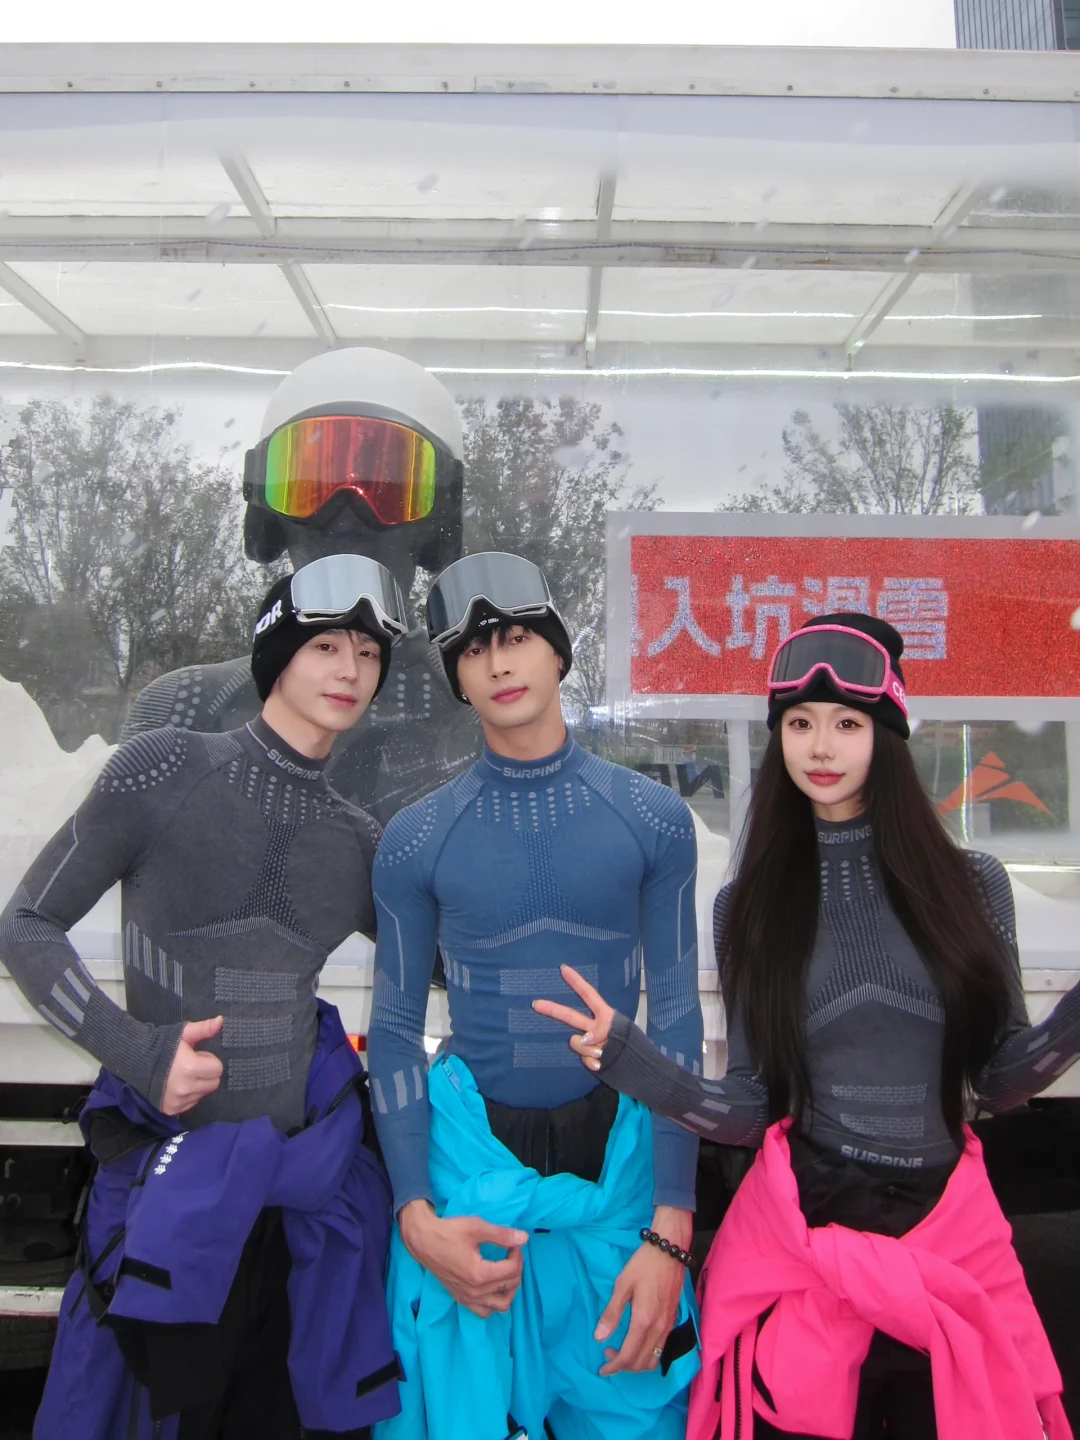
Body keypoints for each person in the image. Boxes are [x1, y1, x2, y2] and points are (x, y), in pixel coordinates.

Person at [535, 612, 1076, 1440]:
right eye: (799, 724)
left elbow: (999, 1081)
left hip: (950, 1241)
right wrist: (631, 1061)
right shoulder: (749, 908)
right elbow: (751, 1109)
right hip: (805, 1243)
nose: (820, 747)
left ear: (887, 735)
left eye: (847, 724)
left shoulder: (973, 885)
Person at [0, 554, 409, 1440]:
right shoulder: (164, 769)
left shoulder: (358, 840)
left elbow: (450, 965)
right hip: (166, 1194)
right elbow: (26, 925)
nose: (350, 668)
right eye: (326, 645)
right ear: (276, 654)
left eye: (370, 653)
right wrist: (140, 1053)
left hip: (298, 1210)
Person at [367, 551, 704, 1440]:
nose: (500, 663)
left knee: (632, 1412)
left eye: (517, 637)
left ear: (559, 652)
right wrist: (416, 1217)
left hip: (620, 1169)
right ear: (457, 680)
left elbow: (676, 1019)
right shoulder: (416, 839)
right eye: (474, 650)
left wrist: (671, 1229)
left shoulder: (652, 818)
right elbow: (395, 1032)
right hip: (471, 1173)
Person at [122, 347, 480, 825]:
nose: (347, 515)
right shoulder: (186, 707)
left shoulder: (480, 711)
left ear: (439, 522)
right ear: (267, 514)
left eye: (391, 489)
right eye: (310, 485)